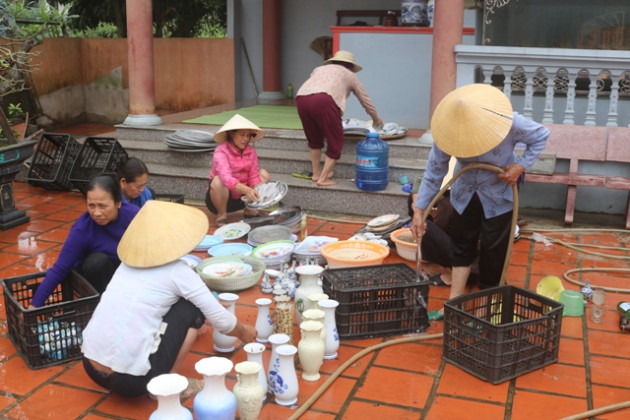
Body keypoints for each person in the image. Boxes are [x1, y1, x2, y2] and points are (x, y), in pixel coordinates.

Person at [81, 200, 257, 398]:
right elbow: (222, 321)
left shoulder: (126, 264)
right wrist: (245, 331)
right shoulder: (177, 271)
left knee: (174, 305)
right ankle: (168, 383)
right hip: (130, 382)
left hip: (90, 365)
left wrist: (210, 303)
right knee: (191, 308)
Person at [410, 84, 550, 320]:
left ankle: (485, 311)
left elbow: (541, 135)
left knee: (493, 253)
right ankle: (454, 303)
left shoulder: (508, 122)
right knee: (461, 246)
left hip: (499, 195)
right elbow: (435, 172)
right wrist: (419, 210)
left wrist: (521, 166)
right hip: (464, 195)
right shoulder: (448, 132)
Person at [29, 175, 139, 308]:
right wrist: (33, 307)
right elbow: (59, 269)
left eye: (103, 206)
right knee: (98, 262)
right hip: (94, 276)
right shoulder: (83, 229)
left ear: (118, 203)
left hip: (123, 272)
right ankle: (100, 307)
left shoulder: (135, 217)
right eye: (91, 206)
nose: (96, 213)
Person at [296, 50, 384, 187]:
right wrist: (376, 119)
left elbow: (313, 86)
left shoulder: (319, 69)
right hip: (324, 100)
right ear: (350, 66)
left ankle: (316, 173)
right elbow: (365, 100)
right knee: (336, 139)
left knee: (314, 139)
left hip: (301, 98)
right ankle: (323, 178)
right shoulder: (350, 75)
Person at [206, 114, 270, 227]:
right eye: (242, 135)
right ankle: (222, 215)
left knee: (263, 174)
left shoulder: (251, 151)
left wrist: (256, 194)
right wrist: (247, 190)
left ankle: (251, 210)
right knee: (218, 180)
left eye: (248, 135)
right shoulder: (221, 151)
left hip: (242, 199)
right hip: (221, 199)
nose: (246, 139)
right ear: (231, 133)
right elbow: (226, 178)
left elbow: (253, 176)